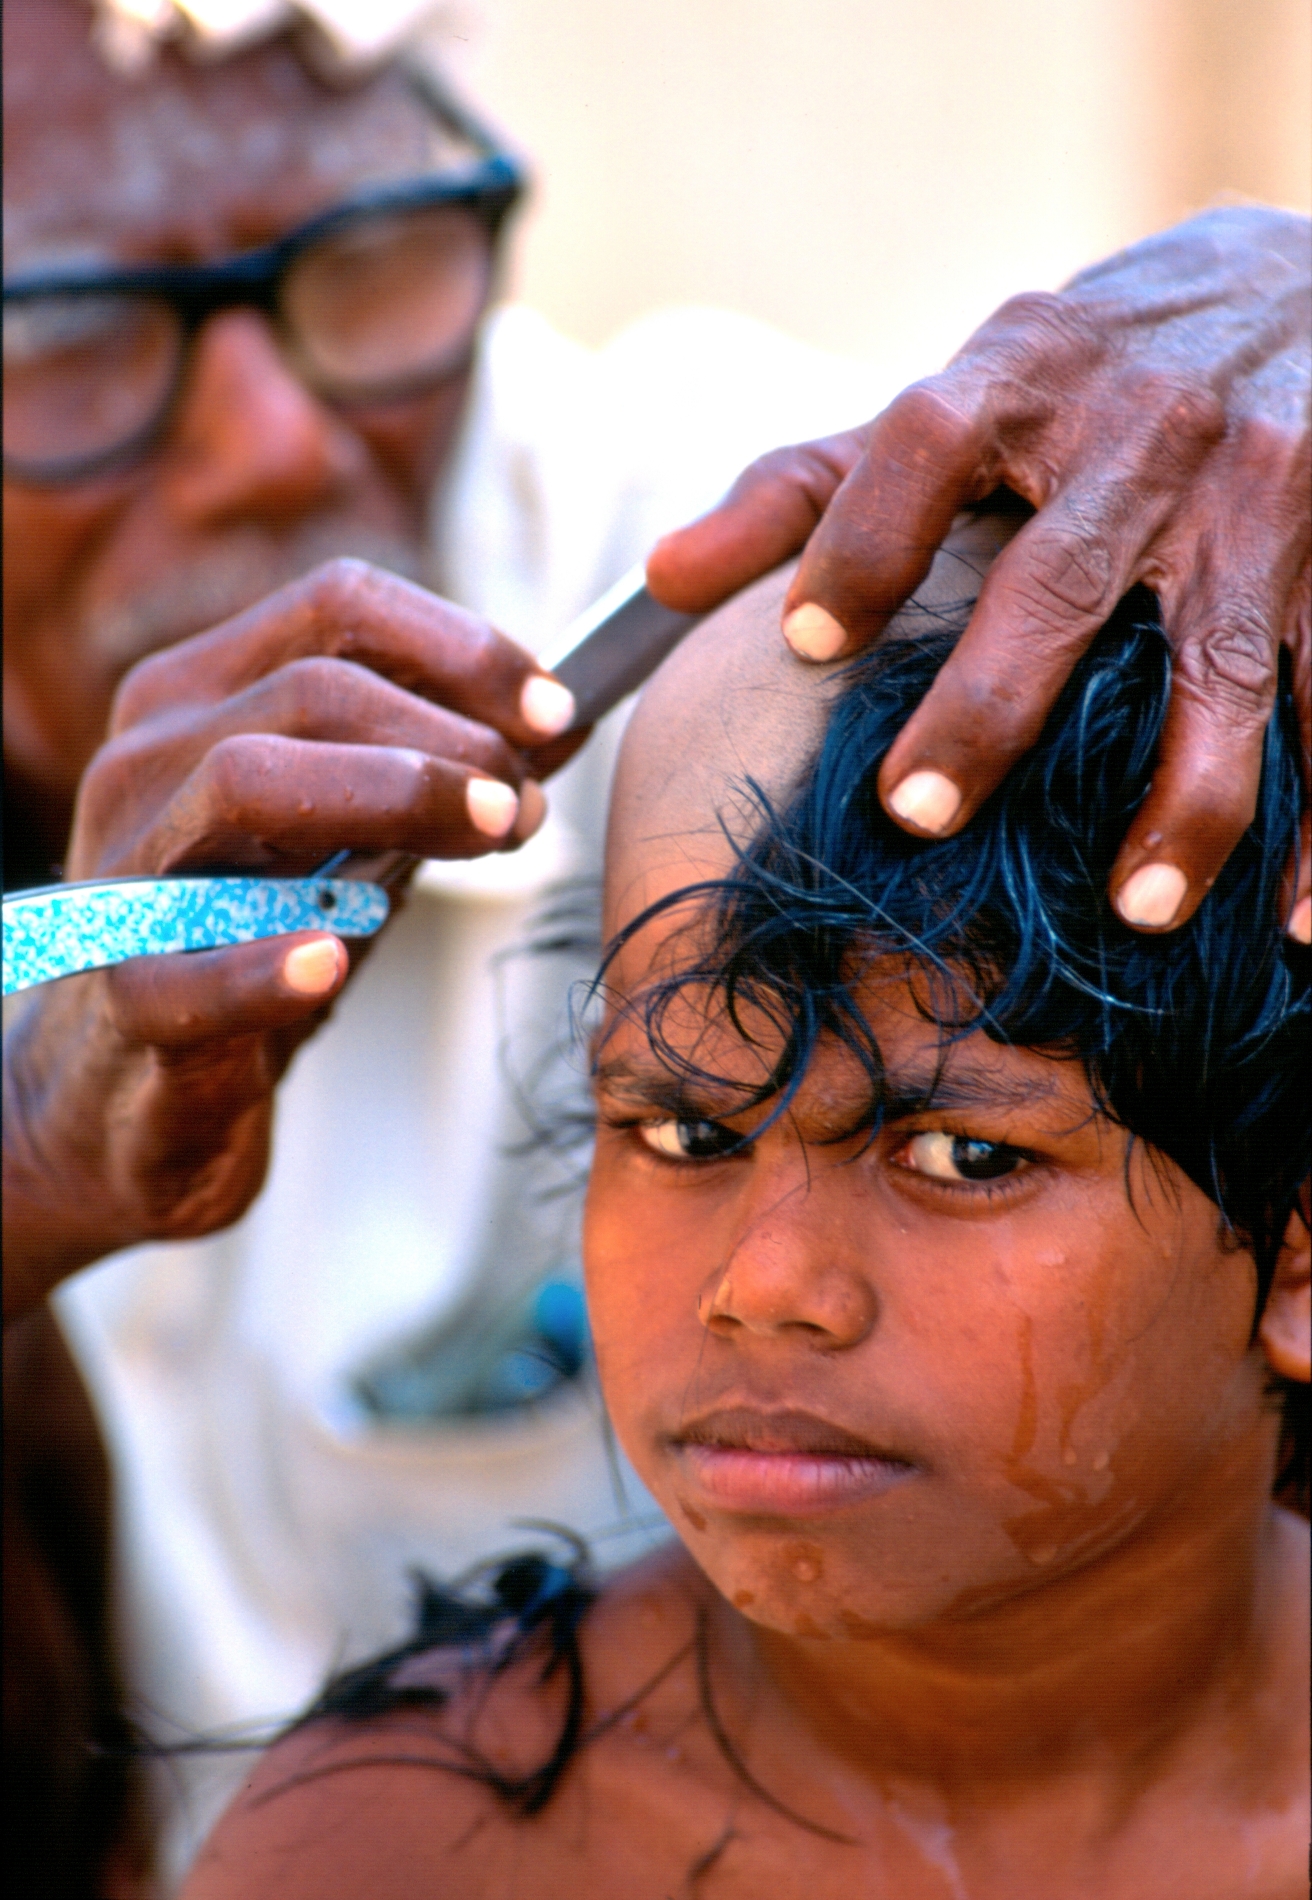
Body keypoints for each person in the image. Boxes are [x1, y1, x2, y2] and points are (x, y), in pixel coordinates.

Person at [3, 0, 1309, 1885]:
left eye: (376, 265)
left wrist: (1292, 296)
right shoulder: (380, 1839)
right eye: (69, 336)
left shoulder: (793, 580)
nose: (273, 438)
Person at [183, 506, 1308, 1900]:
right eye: (685, 1129)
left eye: (959, 1156)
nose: (764, 1284)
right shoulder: (396, 1851)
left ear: (1296, 1241)